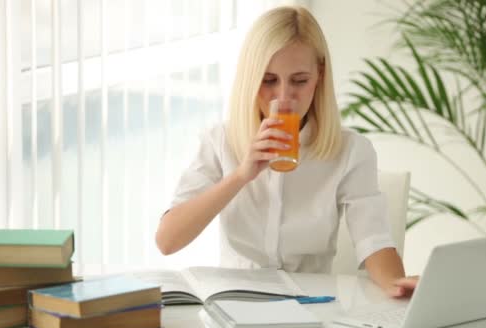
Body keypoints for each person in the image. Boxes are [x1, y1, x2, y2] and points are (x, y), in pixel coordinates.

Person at [155, 6, 417, 298]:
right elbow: (168, 241)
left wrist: (397, 283)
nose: (284, 97)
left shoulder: (351, 151)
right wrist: (241, 175)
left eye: (299, 80)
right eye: (269, 81)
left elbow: (374, 240)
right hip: (235, 302)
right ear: (250, 79)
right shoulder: (221, 140)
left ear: (320, 75)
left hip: (311, 306)